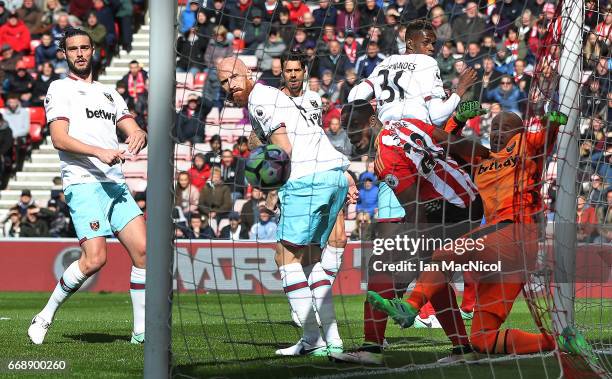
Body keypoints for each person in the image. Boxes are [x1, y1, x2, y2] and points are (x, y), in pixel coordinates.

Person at [374, 109, 595, 361]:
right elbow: (446, 145)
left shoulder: (524, 144)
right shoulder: (481, 160)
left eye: (505, 127)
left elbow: (542, 139)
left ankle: (410, 307)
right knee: (482, 339)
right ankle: (560, 341)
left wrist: (551, 124)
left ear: (518, 131)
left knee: (445, 252)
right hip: (508, 253)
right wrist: (457, 120)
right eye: (494, 127)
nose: (497, 132)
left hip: (515, 230)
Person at [217, 55, 354, 356]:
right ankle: (333, 340)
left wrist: (267, 186)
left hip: (307, 179)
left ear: (249, 73)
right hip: (333, 175)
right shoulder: (274, 95)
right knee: (312, 261)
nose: (230, 86)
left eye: (234, 78)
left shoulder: (260, 100)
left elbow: (283, 149)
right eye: (224, 82)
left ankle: (311, 339)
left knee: (285, 259)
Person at [29, 28, 148, 345]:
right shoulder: (59, 89)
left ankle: (140, 334)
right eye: (73, 49)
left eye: (85, 47)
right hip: (83, 182)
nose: (80, 53)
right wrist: (100, 152)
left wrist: (138, 134)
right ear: (64, 54)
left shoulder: (111, 94)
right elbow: (59, 138)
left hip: (115, 184)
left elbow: (131, 125)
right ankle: (44, 316)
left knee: (145, 253)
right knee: (95, 259)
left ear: (93, 50)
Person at [348, 19, 477, 126]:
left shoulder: (386, 62)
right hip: (414, 138)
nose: (432, 48)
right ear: (410, 43)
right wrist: (461, 88)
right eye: (426, 43)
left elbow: (353, 98)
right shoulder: (427, 62)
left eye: (433, 43)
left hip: (385, 138)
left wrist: (372, 106)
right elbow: (438, 117)